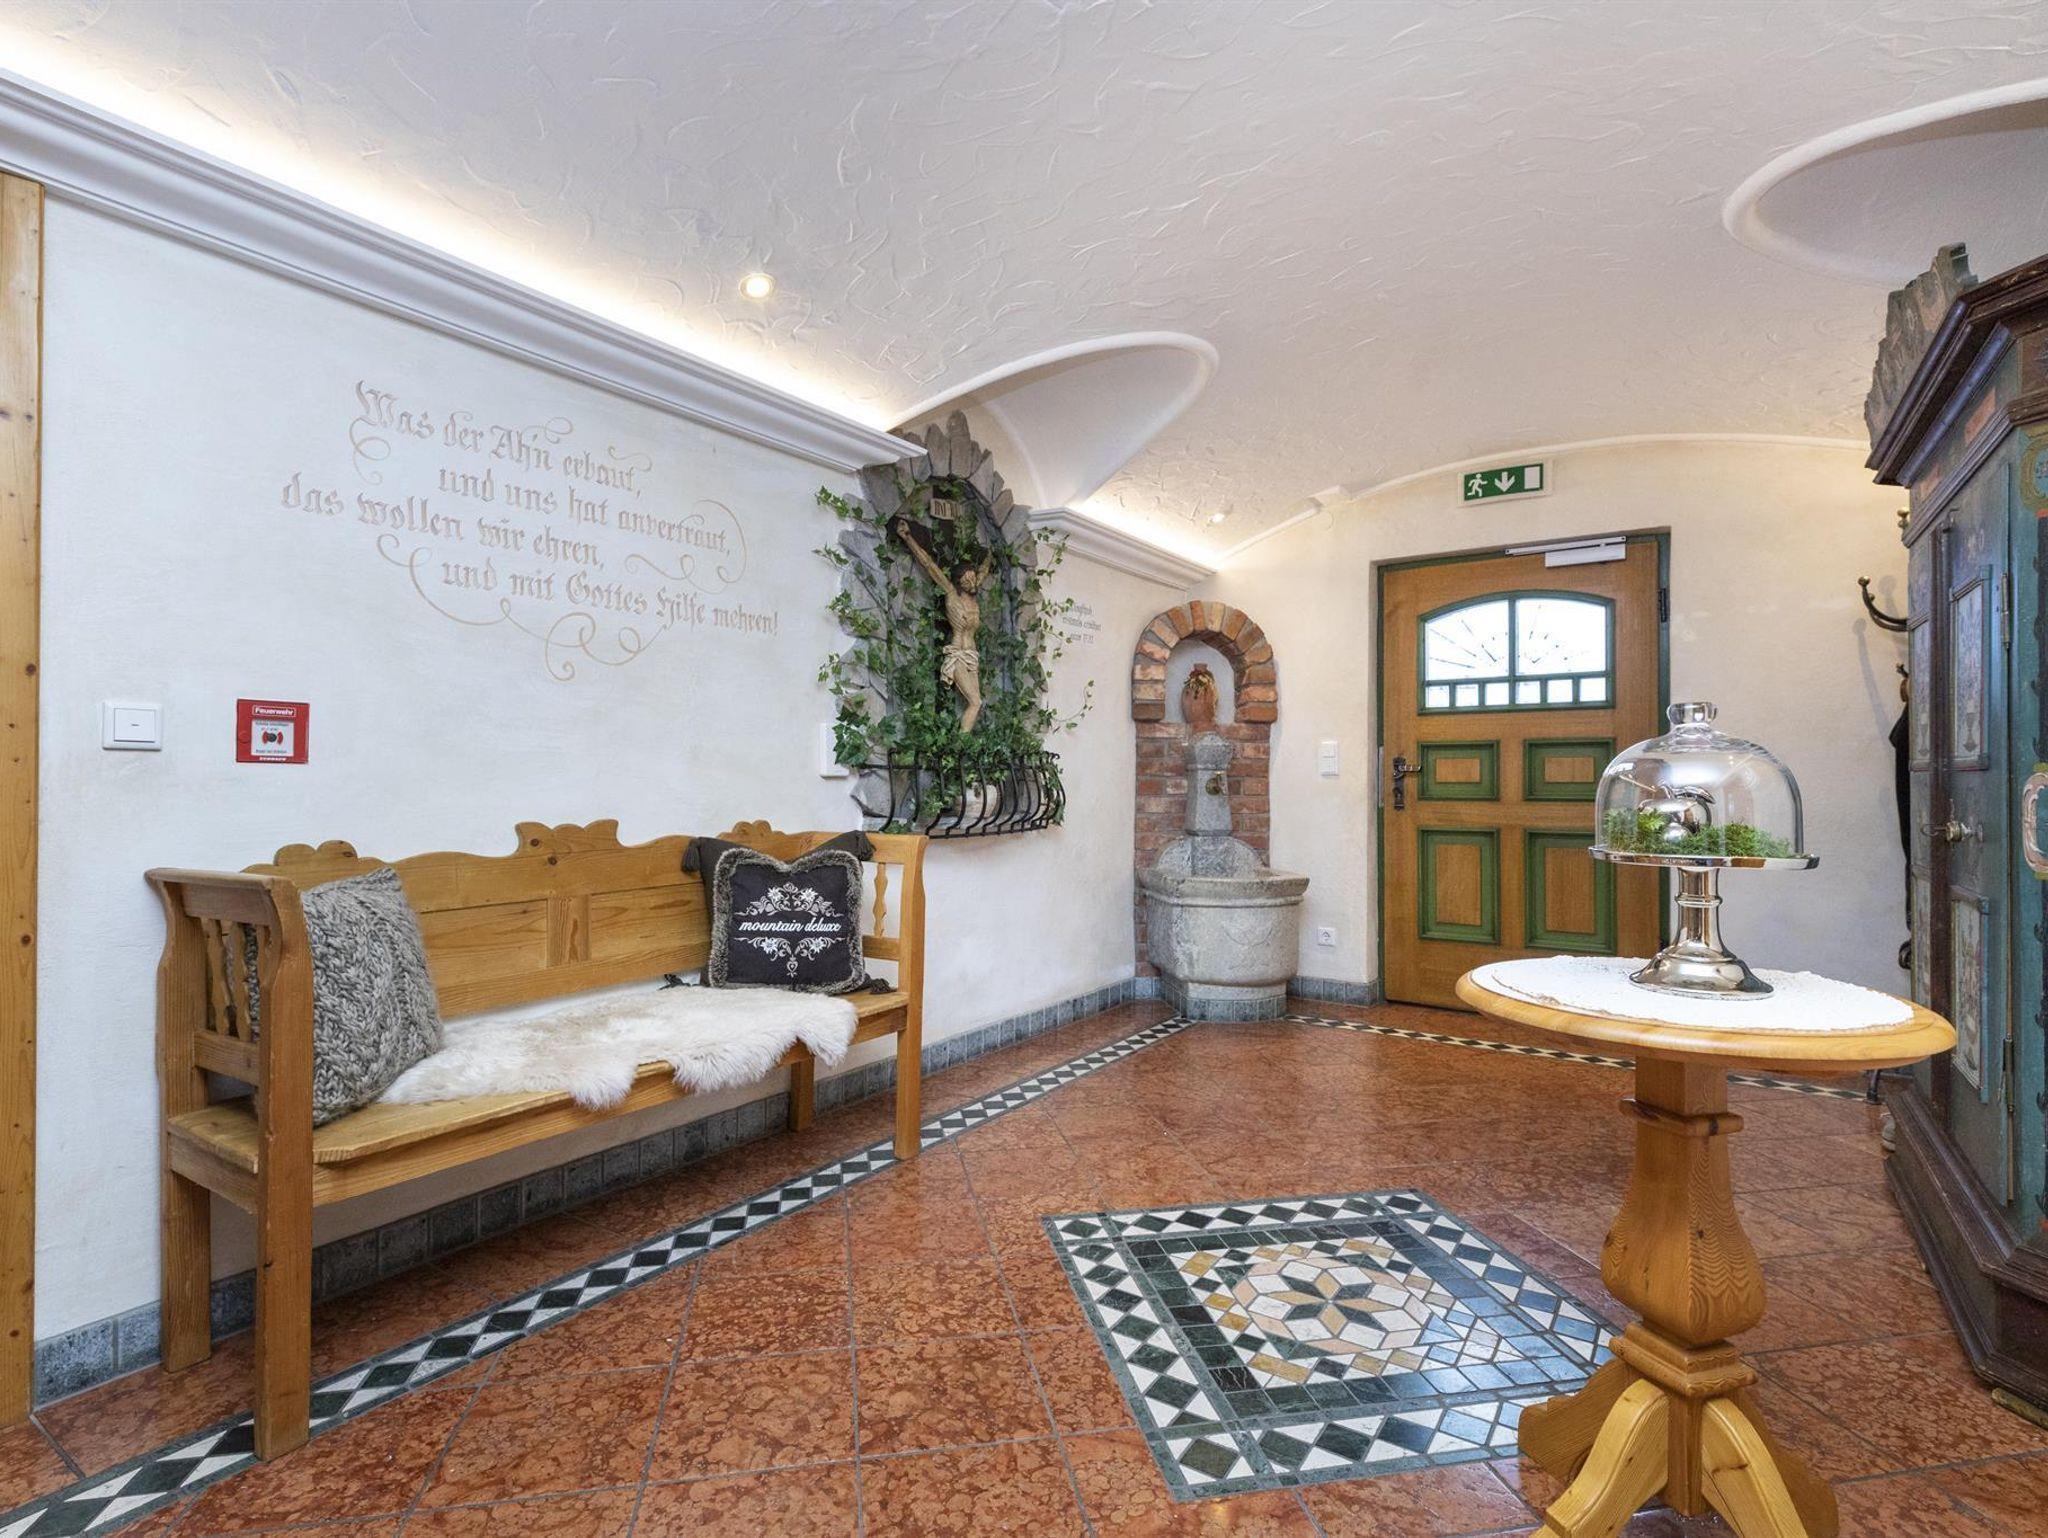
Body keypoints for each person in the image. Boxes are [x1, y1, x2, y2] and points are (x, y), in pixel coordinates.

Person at [895, 517, 993, 732]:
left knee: (976, 703)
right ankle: (961, 744)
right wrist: (908, 537)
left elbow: (984, 570)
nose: (971, 582)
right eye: (966, 580)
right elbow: (929, 565)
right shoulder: (951, 594)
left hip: (972, 655)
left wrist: (991, 554)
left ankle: (963, 743)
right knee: (975, 702)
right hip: (957, 654)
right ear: (959, 583)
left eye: (973, 578)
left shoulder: (974, 594)